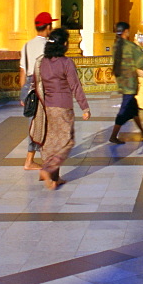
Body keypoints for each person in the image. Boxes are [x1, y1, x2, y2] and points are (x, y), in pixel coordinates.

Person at [31, 28, 91, 189]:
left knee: (51, 142)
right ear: (64, 44)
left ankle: (55, 179)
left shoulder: (42, 62)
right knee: (67, 141)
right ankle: (47, 169)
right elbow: (75, 86)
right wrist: (85, 107)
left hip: (47, 107)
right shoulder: (66, 63)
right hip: (63, 107)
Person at [109, 21, 143, 144]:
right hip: (130, 82)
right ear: (125, 32)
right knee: (124, 111)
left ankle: (142, 130)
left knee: (134, 108)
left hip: (122, 81)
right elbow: (142, 60)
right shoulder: (130, 46)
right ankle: (113, 136)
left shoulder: (116, 46)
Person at [20, 12, 55, 171]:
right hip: (43, 86)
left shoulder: (27, 45)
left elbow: (23, 71)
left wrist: (23, 94)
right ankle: (32, 161)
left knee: (35, 123)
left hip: (29, 86)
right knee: (42, 124)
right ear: (48, 27)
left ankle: (32, 159)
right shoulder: (49, 46)